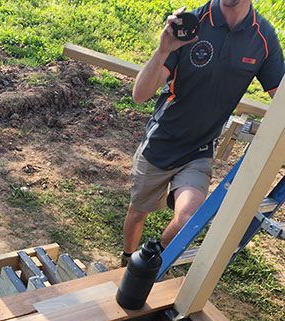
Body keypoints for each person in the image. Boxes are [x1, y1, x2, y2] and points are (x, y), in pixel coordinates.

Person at [122, 0, 284, 265]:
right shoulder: (191, 25)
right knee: (139, 212)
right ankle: (127, 258)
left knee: (188, 219)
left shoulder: (262, 36)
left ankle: (150, 261)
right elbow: (140, 95)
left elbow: (281, 95)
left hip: (199, 149)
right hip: (162, 140)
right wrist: (163, 50)